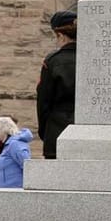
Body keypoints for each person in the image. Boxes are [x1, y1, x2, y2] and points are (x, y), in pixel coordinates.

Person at [36, 10, 77, 159]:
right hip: (87, 130)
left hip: (57, 130)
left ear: (60, 35)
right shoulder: (92, 59)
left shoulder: (52, 62)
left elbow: (43, 103)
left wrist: (45, 131)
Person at [0, 116, 32, 188]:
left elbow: (27, 165)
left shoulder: (15, 144)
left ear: (2, 131)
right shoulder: (9, 144)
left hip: (15, 189)